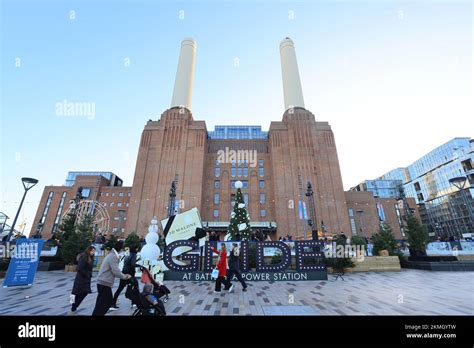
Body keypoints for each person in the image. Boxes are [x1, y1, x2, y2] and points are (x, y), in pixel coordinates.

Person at [92, 241, 131, 316]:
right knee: (106, 303)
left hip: (102, 282)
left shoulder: (112, 255)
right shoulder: (113, 256)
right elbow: (116, 271)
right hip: (104, 283)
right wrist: (125, 276)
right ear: (120, 249)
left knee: (100, 304)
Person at [69, 245, 96, 315]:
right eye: (92, 251)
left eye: (94, 251)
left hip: (86, 279)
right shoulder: (84, 257)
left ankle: (74, 308)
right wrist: (87, 274)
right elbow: (79, 268)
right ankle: (73, 308)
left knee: (83, 293)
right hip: (81, 279)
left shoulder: (90, 257)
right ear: (89, 250)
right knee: (78, 293)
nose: (93, 252)